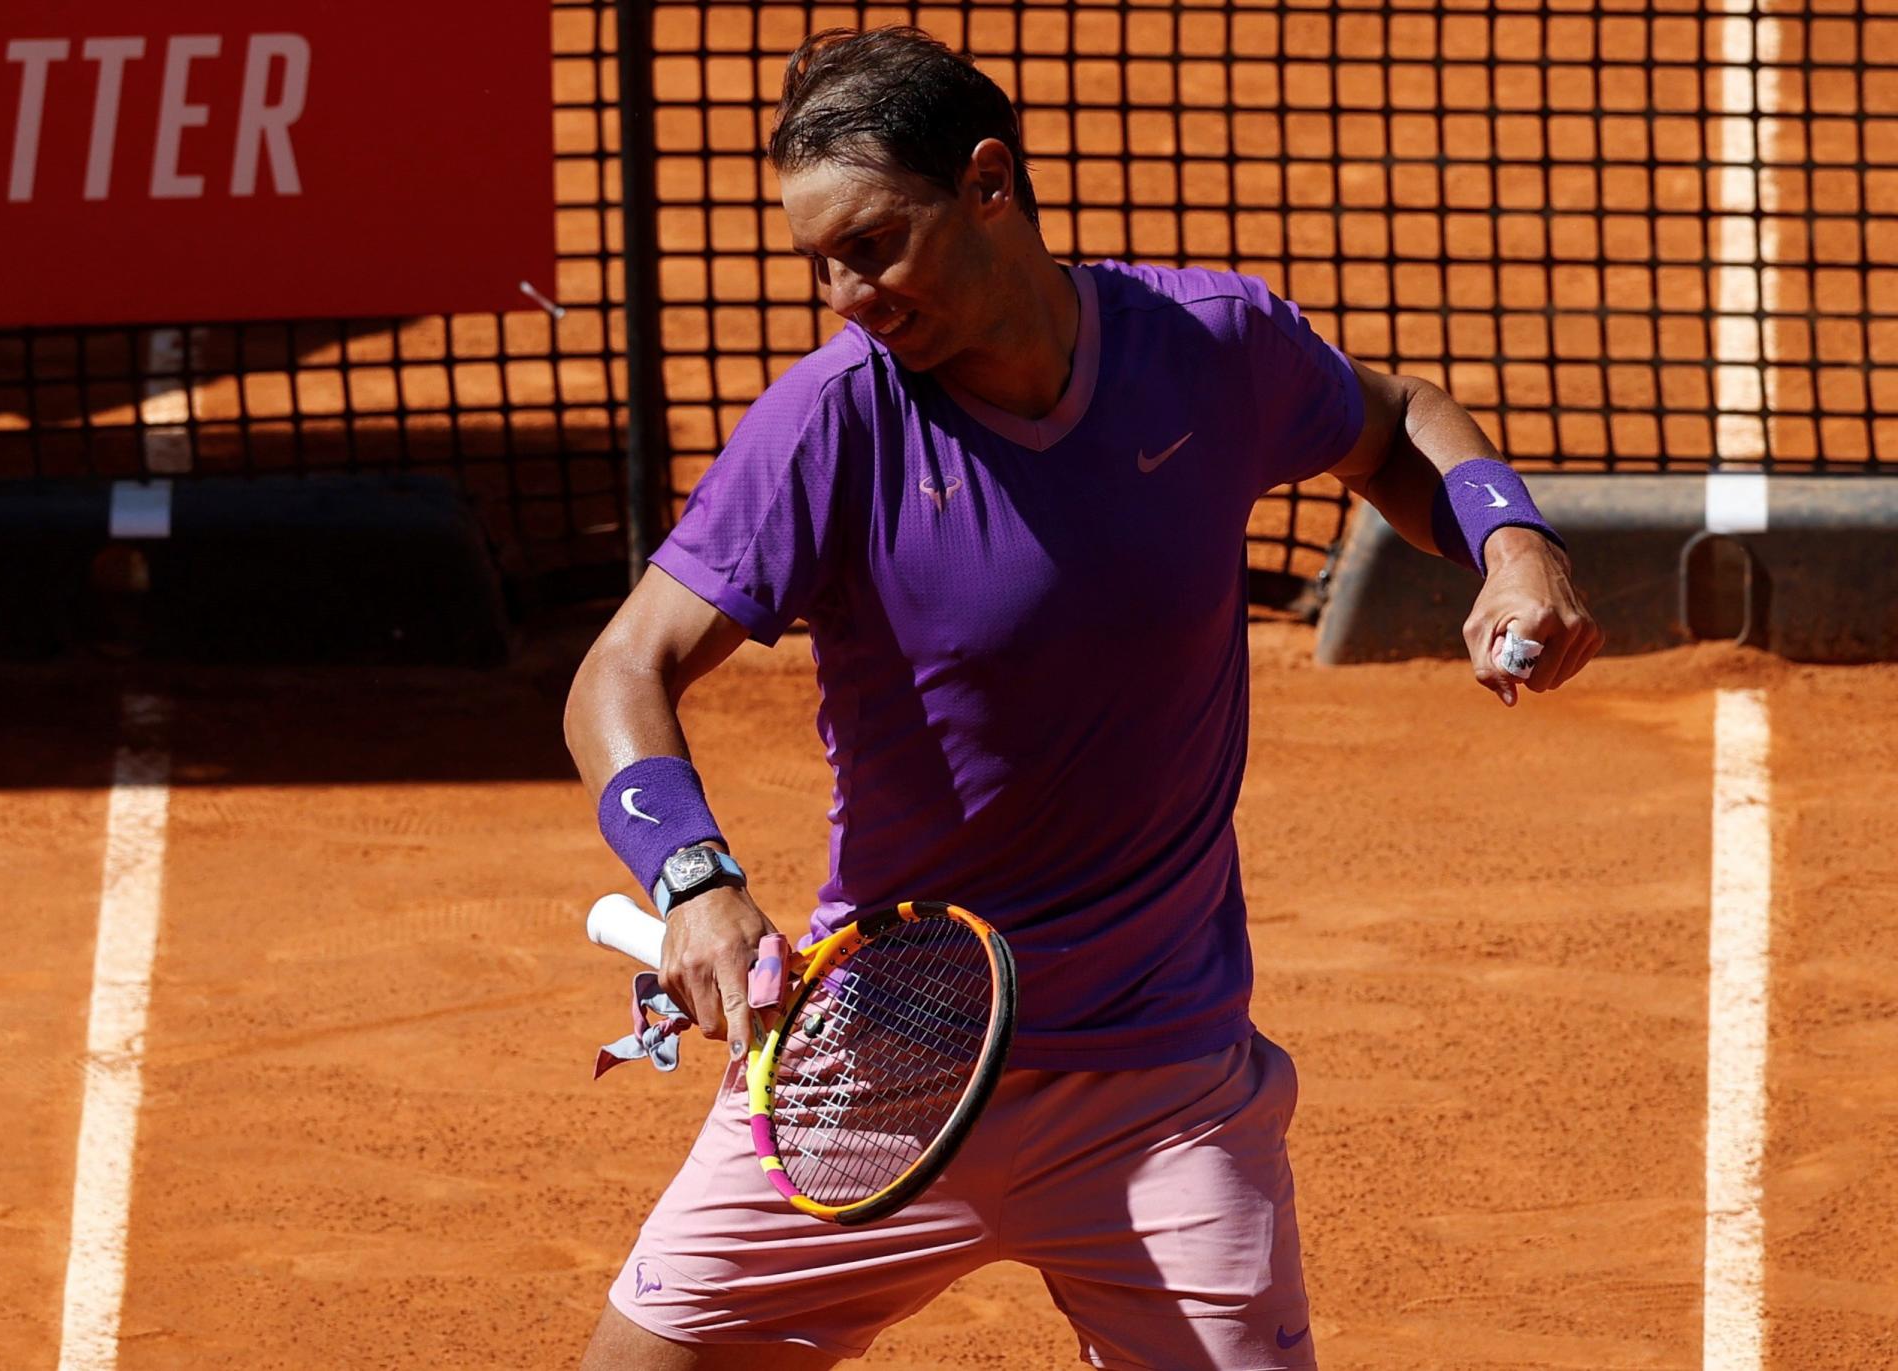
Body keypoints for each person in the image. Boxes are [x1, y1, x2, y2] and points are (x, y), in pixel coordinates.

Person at [564, 25, 1602, 1371]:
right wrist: (691, 878)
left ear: (988, 184)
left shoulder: (1208, 347)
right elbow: (619, 669)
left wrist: (1517, 545)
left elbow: (1396, 421)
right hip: (883, 1063)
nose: (845, 294)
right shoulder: (832, 423)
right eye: (818, 261)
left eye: (872, 245)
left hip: (1162, 1081)